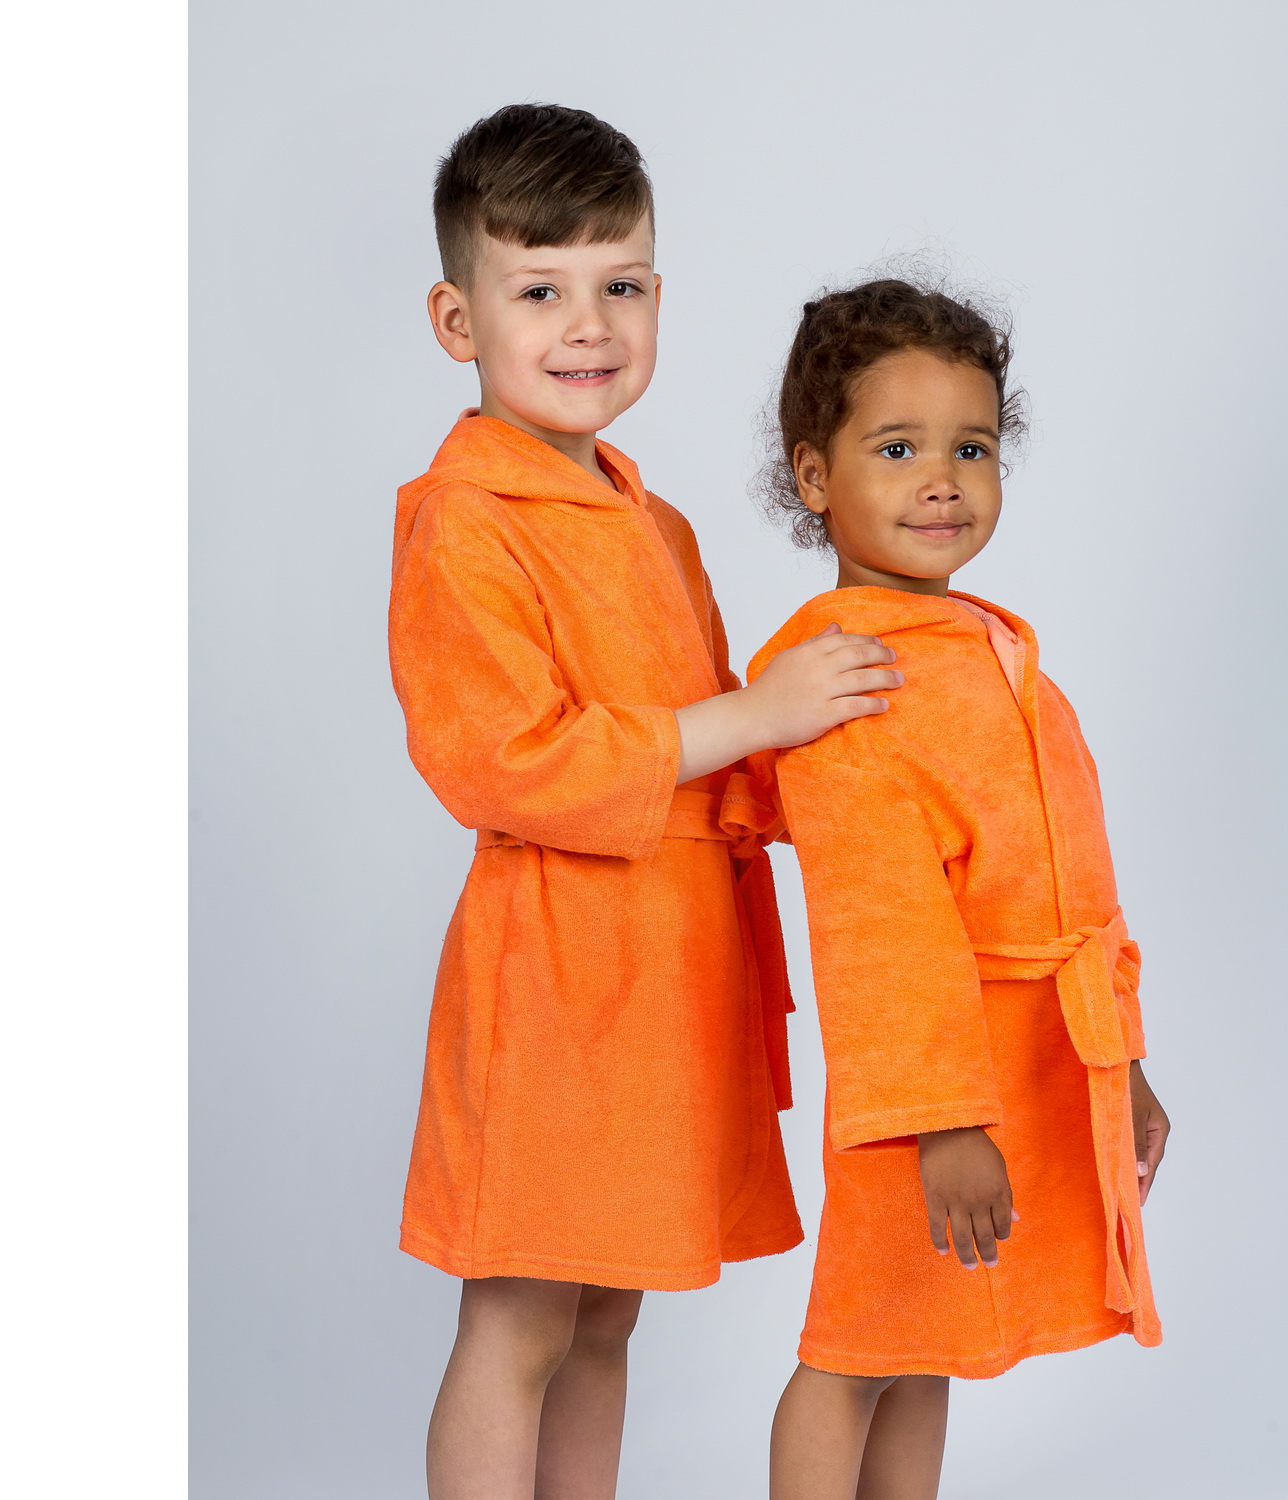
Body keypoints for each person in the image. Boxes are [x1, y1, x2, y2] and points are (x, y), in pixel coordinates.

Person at [388, 105, 904, 1500]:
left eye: (620, 285)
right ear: (457, 318)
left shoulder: (654, 522)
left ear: (659, 297)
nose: (588, 326)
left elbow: (725, 752)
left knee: (608, 1313)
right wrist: (757, 716)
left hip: (669, 971)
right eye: (539, 292)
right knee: (520, 1314)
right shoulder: (464, 518)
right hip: (558, 972)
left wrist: (847, 748)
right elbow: (502, 757)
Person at [746, 279, 1170, 1500]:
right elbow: (878, 925)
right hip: (924, 1087)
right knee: (856, 1348)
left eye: (971, 448)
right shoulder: (847, 682)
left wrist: (1122, 1057)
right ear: (814, 475)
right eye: (897, 449)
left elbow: (1081, 884)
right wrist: (940, 1120)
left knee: (931, 1347)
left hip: (1030, 1057)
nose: (942, 480)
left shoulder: (996, 652)